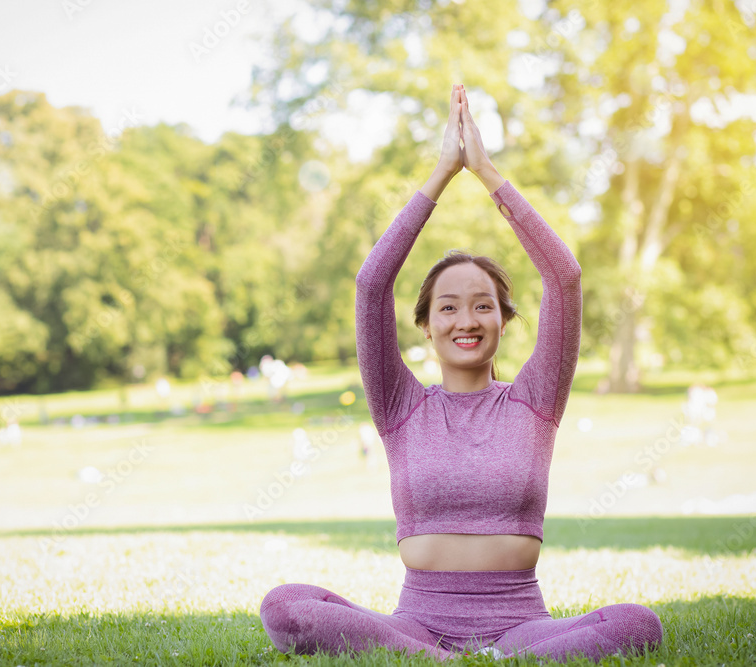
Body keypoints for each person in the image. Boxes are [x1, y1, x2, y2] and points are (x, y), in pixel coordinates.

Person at [259, 84, 663, 662]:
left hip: (521, 624)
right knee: (285, 606)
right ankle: (442, 661)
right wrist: (441, 175)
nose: (465, 320)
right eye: (447, 306)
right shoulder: (401, 407)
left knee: (638, 624)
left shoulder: (535, 401)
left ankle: (498, 660)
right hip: (417, 625)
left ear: (503, 320)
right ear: (426, 324)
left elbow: (565, 277)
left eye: (482, 305)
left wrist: (488, 173)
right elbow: (372, 284)